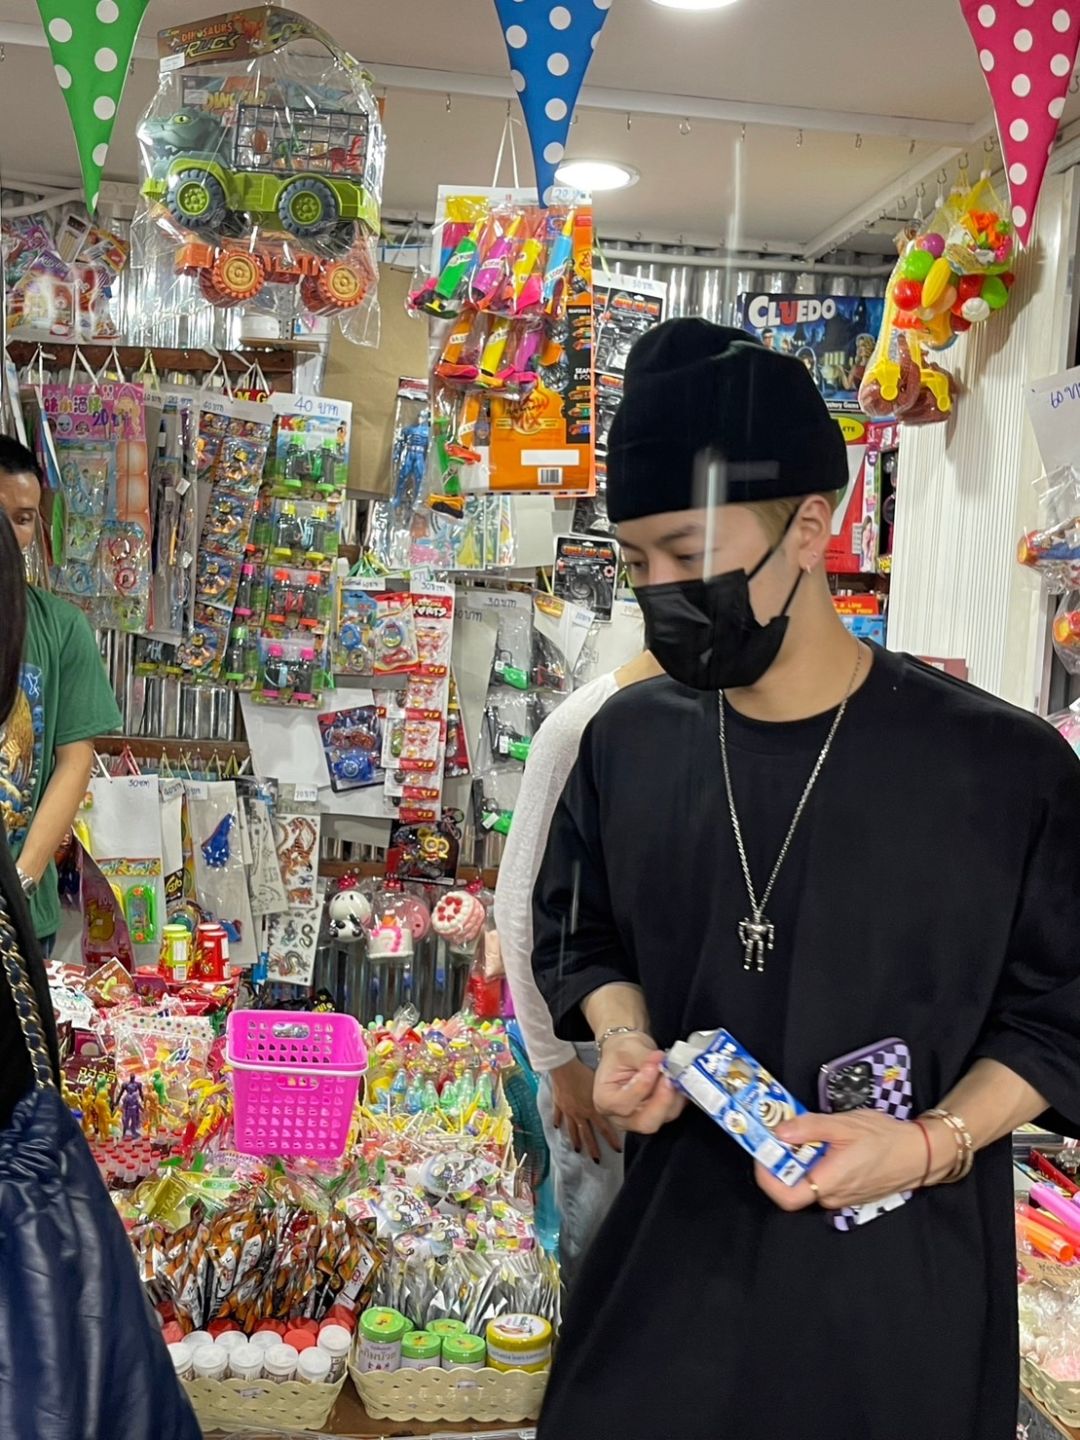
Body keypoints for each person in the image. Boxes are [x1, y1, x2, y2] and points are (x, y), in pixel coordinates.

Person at [530, 318, 1080, 1440]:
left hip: (897, 1309)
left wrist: (929, 1144)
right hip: (666, 1285)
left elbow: (1060, 1017)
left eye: (688, 550)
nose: (662, 590)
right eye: (637, 562)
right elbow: (582, 938)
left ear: (813, 526)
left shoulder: (1000, 768)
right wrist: (623, 1035)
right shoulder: (627, 742)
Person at [494, 651, 659, 1285]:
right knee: (596, 1252)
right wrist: (556, 1062)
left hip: (660, 1044)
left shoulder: (700, 721)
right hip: (587, 1044)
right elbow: (520, 904)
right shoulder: (581, 725)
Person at [0, 436, 122, 945]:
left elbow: (74, 762)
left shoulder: (61, 627)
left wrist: (19, 883)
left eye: (24, 518)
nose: (9, 532)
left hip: (22, 915)